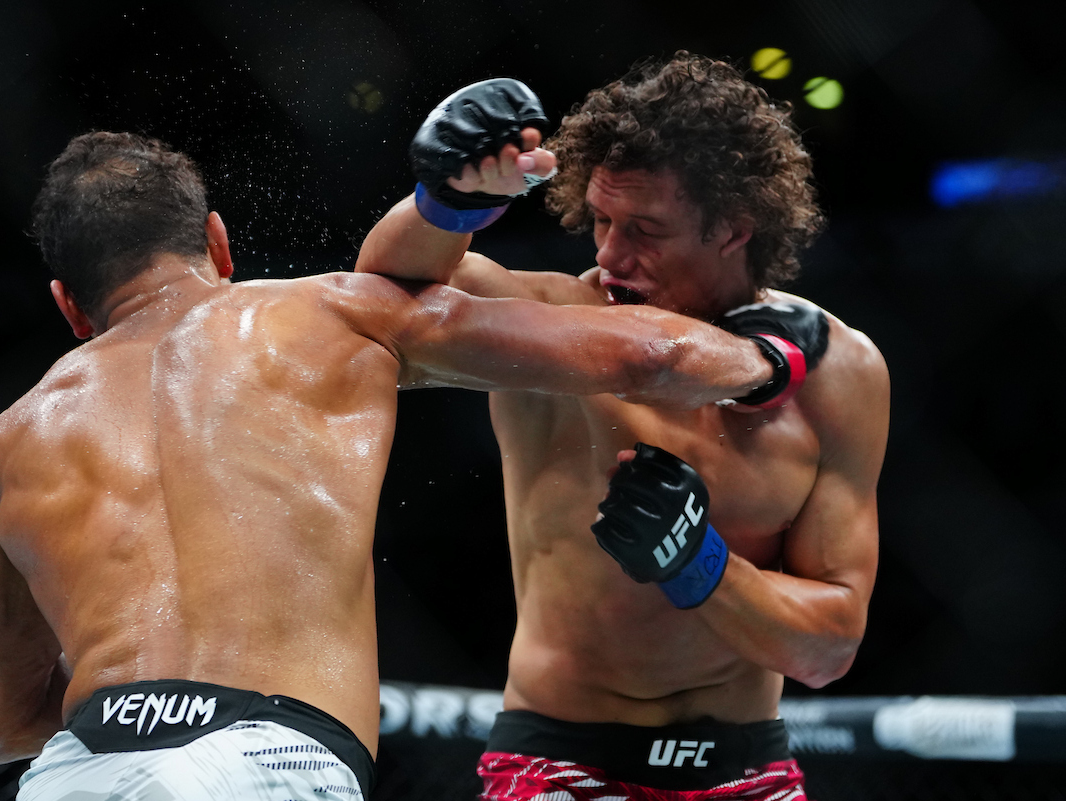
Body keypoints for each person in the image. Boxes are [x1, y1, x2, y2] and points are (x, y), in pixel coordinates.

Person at [0, 131, 797, 801]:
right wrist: (769, 359)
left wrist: (129, 688)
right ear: (217, 242)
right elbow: (639, 354)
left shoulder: (12, 440)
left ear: (68, 305)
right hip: (268, 755)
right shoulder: (329, 313)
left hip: (83, 767)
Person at [356, 55, 890, 800]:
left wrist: (698, 562)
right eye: (601, 220)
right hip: (564, 766)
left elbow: (828, 648)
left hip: (749, 773)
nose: (609, 254)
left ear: (734, 228)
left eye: (644, 229)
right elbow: (385, 298)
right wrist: (449, 202)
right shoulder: (551, 325)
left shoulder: (841, 371)